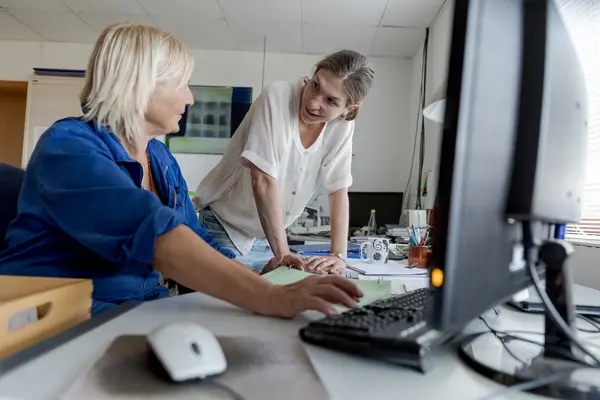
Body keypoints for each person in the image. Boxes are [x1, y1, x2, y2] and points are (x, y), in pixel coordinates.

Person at [0, 22, 362, 317]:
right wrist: (269, 297)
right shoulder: (69, 146)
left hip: (142, 309)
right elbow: (152, 232)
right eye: (181, 84)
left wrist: (258, 274)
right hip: (63, 321)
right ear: (139, 86)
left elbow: (194, 237)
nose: (189, 98)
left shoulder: (159, 159)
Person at [193, 50, 375, 276]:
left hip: (269, 239)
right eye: (316, 85)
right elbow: (262, 179)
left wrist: (338, 256)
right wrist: (282, 254)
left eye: (331, 100)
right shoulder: (277, 97)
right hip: (225, 228)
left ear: (348, 109)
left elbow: (338, 189)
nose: (313, 101)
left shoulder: (342, 126)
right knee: (224, 308)